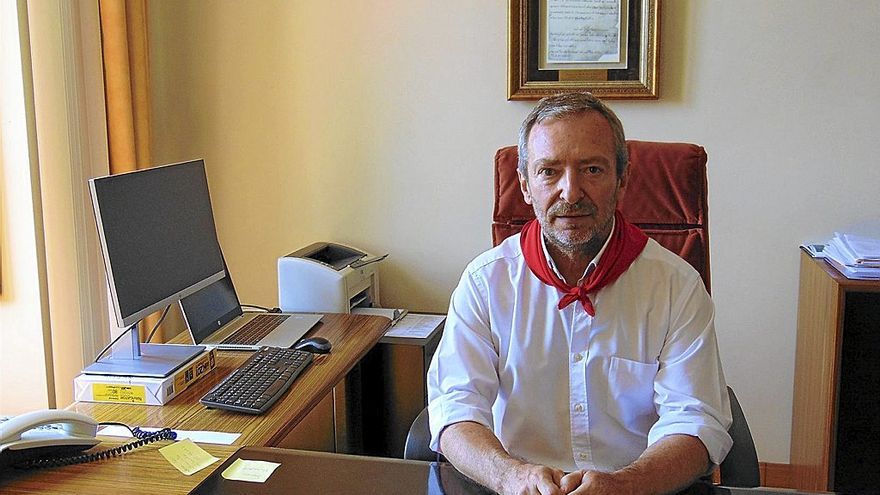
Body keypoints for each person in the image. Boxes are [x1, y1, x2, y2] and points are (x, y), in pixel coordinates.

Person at [426, 92, 732, 495]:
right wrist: (510, 476)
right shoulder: (485, 283)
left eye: (592, 169)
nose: (571, 193)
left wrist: (625, 485)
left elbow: (696, 420)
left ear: (622, 181)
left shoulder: (676, 286)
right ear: (524, 185)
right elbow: (455, 409)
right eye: (549, 171)